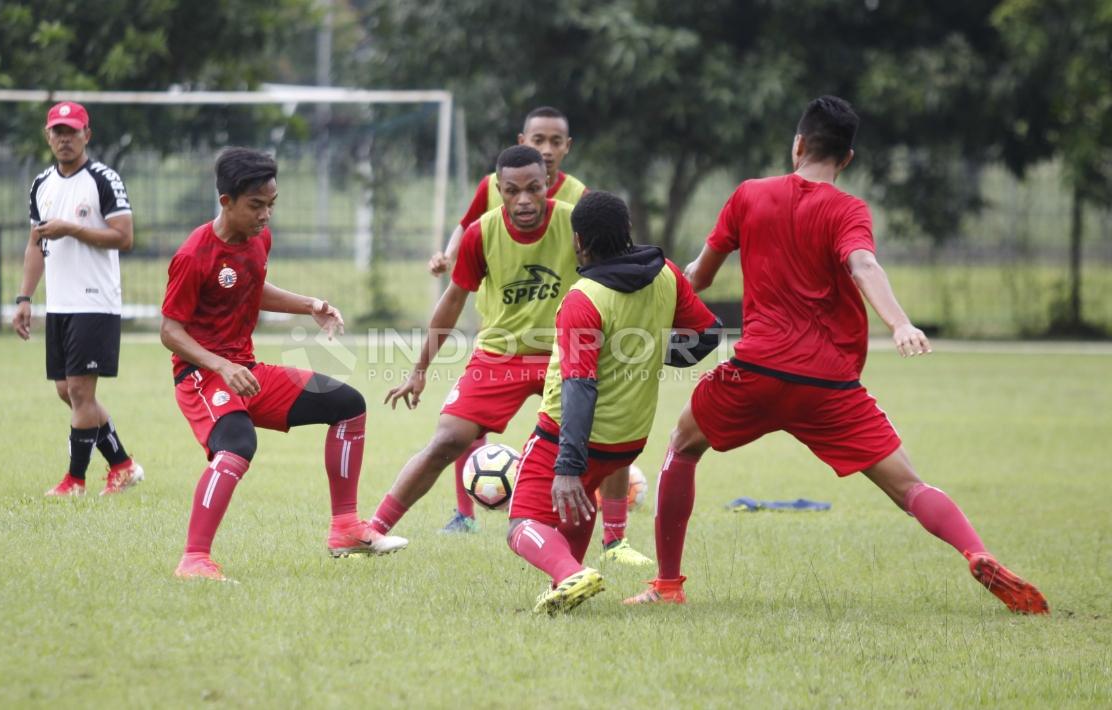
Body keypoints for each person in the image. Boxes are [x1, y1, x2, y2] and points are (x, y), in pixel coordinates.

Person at [625, 96, 1048, 615]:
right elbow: (864, 265)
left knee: (683, 447)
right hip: (829, 386)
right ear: (846, 159)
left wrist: (666, 292)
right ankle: (977, 551)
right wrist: (900, 323)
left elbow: (700, 276)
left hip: (754, 372)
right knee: (910, 488)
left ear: (798, 144)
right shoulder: (848, 209)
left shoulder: (749, 196)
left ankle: (667, 585)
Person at [161, 147, 407, 582]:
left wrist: (309, 305)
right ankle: (194, 560)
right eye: (256, 205)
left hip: (246, 371)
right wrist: (220, 366)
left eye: (271, 204)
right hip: (201, 375)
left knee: (347, 404)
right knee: (236, 445)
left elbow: (253, 287)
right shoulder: (194, 255)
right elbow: (170, 331)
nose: (265, 215)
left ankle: (346, 528)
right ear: (226, 202)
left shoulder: (259, 239)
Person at [426, 109, 646, 565]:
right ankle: (464, 513)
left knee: (607, 434)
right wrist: (448, 255)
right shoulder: (492, 185)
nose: (546, 149)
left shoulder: (580, 198)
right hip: (503, 337)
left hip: (567, 343)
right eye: (538, 139)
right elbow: (467, 227)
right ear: (523, 140)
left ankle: (616, 539)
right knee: (463, 427)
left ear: (567, 147)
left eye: (555, 141)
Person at [506, 190, 720, 614]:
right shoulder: (667, 275)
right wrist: (652, 350)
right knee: (578, 508)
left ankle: (569, 573)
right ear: (627, 233)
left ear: (579, 241)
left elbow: (579, 388)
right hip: (627, 441)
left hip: (566, 437)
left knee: (521, 524)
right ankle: (567, 582)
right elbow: (707, 335)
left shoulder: (584, 299)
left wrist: (567, 465)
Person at [13, 101, 143, 497]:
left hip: (95, 301)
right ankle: (122, 465)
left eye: (72, 131)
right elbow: (36, 244)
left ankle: (75, 481)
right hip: (61, 304)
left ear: (87, 134)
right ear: (47, 135)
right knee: (68, 393)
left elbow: (124, 236)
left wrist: (73, 229)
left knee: (82, 394)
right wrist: (24, 297)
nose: (64, 138)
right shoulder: (41, 185)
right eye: (58, 131)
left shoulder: (103, 179)